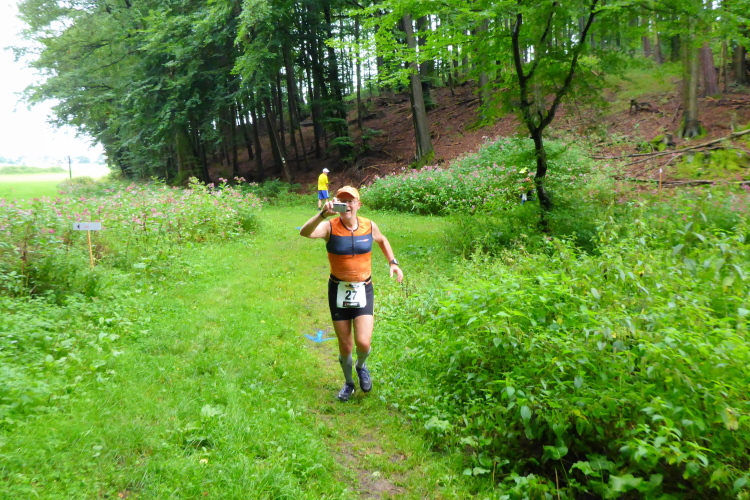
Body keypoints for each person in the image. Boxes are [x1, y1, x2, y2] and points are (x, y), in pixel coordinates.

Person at [299, 186, 403, 402]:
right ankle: (348, 383)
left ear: (358, 204)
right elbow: (305, 232)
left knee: (363, 342)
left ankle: (361, 366)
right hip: (339, 290)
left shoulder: (369, 225)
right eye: (342, 200)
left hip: (363, 289)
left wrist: (393, 262)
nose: (346, 205)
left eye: (350, 201)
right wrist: (322, 214)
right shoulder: (329, 226)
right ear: (336, 203)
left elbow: (382, 240)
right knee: (345, 345)